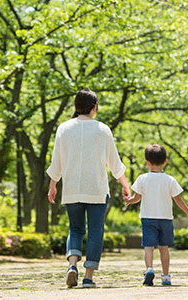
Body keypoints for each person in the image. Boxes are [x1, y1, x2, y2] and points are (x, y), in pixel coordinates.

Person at [46, 88, 131, 288]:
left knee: (75, 229)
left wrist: (53, 185)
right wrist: (125, 186)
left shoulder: (63, 128)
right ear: (94, 107)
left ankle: (72, 266)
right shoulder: (103, 129)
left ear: (76, 106)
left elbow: (56, 161)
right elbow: (114, 164)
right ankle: (88, 277)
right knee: (95, 231)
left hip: (72, 188)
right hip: (97, 189)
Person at [124, 144, 188, 286]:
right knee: (164, 247)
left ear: (147, 162)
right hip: (166, 219)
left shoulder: (142, 178)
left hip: (148, 218)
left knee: (148, 246)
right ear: (165, 161)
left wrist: (129, 200)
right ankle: (165, 276)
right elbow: (179, 200)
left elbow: (136, 198)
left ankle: (149, 269)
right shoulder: (170, 180)